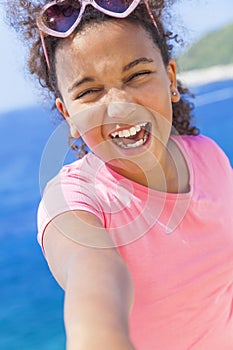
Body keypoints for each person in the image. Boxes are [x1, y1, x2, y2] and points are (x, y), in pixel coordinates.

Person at [7, 0, 233, 349]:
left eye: (137, 75)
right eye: (89, 92)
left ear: (170, 79)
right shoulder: (73, 199)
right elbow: (90, 270)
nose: (119, 105)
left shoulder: (210, 157)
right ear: (69, 115)